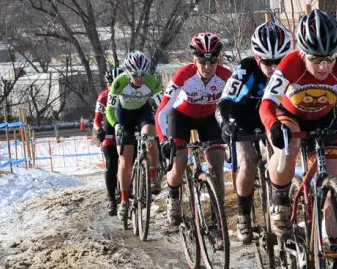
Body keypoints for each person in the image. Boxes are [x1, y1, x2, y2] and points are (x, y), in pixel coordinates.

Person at [259, 9, 337, 237]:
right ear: (303, 53)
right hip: (289, 116)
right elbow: (266, 105)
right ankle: (279, 200)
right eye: (316, 59)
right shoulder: (290, 65)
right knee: (290, 144)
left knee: (335, 184)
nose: (324, 67)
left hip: (325, 120)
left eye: (330, 59)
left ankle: (336, 253)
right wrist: (273, 126)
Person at [215, 21, 292, 244]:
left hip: (274, 117)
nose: (274, 67)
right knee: (248, 161)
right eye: (267, 62)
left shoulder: (292, 67)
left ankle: (281, 205)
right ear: (257, 58)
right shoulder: (246, 68)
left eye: (279, 61)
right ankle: (243, 214)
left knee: (283, 156)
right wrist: (225, 124)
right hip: (243, 118)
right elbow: (225, 101)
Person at [156, 32, 230, 226]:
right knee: (179, 162)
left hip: (209, 119)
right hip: (181, 117)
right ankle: (173, 198)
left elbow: (233, 107)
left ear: (219, 59)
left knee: (217, 165)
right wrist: (164, 139)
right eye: (202, 61)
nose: (207, 67)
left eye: (212, 61)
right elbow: (162, 112)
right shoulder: (183, 74)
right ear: (194, 59)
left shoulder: (226, 76)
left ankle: (217, 218)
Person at [105, 51, 162, 220]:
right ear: (128, 72)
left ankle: (153, 176)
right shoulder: (119, 82)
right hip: (123, 115)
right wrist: (116, 126)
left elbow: (161, 107)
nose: (140, 78)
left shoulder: (152, 82)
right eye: (135, 75)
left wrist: (162, 126)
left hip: (142, 113)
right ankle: (123, 200)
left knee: (150, 138)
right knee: (125, 159)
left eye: (143, 74)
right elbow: (109, 110)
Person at [95, 66, 122, 216]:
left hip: (125, 131)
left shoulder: (127, 94)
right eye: (111, 83)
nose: (114, 86)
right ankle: (112, 200)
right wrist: (99, 130)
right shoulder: (103, 97)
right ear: (108, 84)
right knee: (112, 166)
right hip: (109, 134)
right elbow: (97, 119)